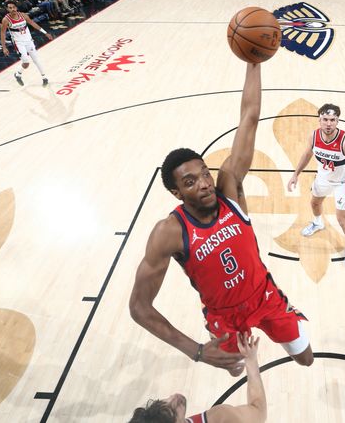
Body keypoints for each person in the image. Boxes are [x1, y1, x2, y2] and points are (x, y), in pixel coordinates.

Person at [129, 61, 313, 375]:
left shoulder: (229, 188)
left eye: (204, 174)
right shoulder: (169, 232)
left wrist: (253, 61)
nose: (203, 183)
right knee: (235, 370)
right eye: (190, 182)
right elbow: (139, 308)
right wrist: (196, 351)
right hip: (224, 316)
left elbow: (250, 117)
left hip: (264, 295)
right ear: (176, 193)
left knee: (305, 357)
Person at [287, 103, 345, 268]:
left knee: (342, 219)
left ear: (338, 121)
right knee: (314, 203)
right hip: (322, 178)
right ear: (319, 120)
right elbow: (307, 154)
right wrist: (295, 174)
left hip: (342, 183)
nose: (328, 123)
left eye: (332, 120)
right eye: (325, 119)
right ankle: (318, 223)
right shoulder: (314, 136)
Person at [129, 332, 267, 423]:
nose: (174, 397)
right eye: (172, 411)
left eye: (162, 402)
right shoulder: (220, 418)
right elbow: (258, 412)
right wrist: (251, 360)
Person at [0, 0, 53, 86]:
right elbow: (2, 33)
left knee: (36, 60)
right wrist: (4, 47)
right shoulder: (6, 20)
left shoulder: (23, 15)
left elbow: (32, 23)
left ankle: (44, 78)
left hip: (29, 41)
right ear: (7, 9)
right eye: (10, 8)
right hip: (19, 43)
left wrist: (45, 33)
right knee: (26, 63)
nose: (13, 9)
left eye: (14, 7)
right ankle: (18, 74)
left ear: (16, 7)